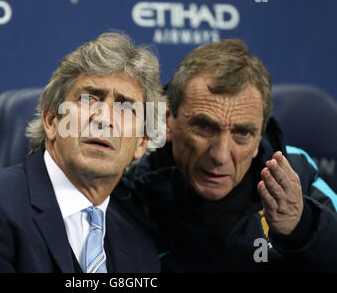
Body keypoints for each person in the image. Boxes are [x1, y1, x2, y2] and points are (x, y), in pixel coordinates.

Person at [0, 32, 164, 273]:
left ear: (141, 142)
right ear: (52, 121)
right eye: (89, 99)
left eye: (125, 108)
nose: (104, 119)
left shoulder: (139, 243)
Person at [117, 39, 337, 272]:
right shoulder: (124, 187)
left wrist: (302, 228)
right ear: (167, 122)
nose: (220, 156)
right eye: (203, 126)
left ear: (259, 137)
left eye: (242, 133)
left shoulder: (294, 172)